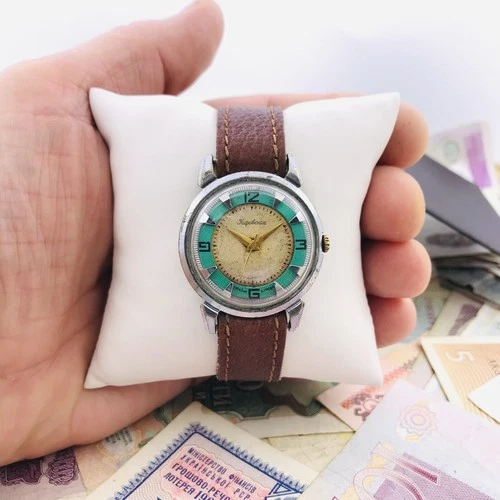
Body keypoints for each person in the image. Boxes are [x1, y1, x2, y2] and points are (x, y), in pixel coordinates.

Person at [0, 0, 431, 466]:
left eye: (260, 240)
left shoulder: (270, 240)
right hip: (219, 294)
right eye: (250, 240)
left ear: (319, 244)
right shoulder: (235, 235)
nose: (253, 242)